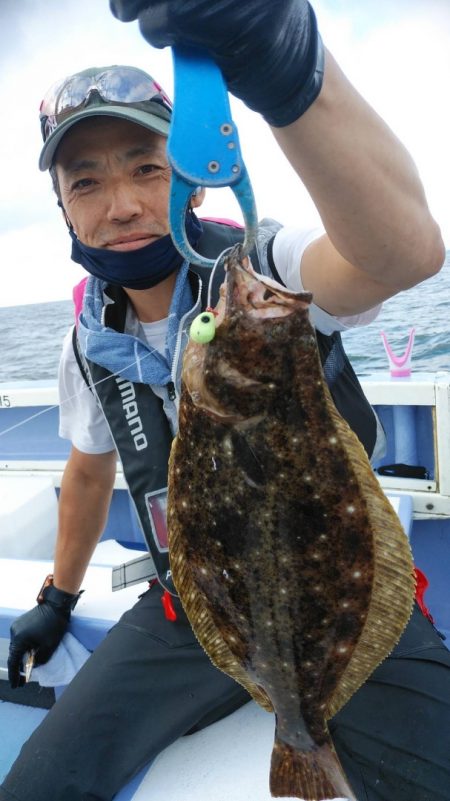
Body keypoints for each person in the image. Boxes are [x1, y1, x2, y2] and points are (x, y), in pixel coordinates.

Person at [3, 1, 449, 799]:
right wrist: (57, 597)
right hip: (194, 604)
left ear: (186, 168)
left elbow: (402, 252)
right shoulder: (86, 335)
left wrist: (287, 69)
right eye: (87, 182)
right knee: (36, 785)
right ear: (63, 208)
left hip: (327, 587)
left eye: (146, 165)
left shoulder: (263, 268)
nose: (124, 205)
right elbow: (88, 469)